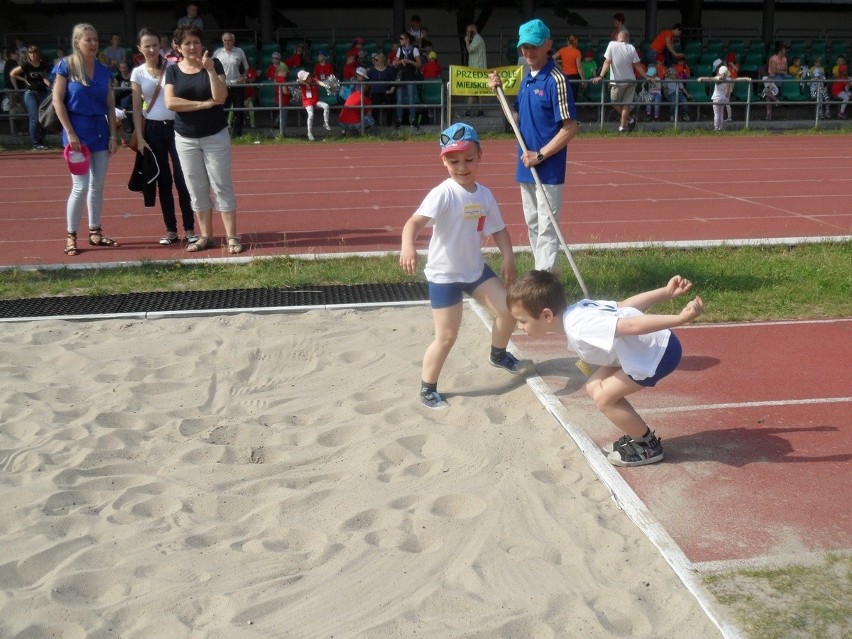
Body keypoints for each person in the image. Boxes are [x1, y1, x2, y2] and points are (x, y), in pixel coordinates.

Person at [507, 270, 704, 467]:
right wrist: (665, 292)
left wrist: (679, 319)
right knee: (594, 385)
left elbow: (632, 325)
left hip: (658, 354)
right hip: (646, 348)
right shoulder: (577, 309)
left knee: (604, 399)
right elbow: (625, 305)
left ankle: (648, 446)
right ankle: (638, 436)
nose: (519, 326)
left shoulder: (579, 326)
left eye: (523, 320)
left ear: (546, 315)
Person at [400, 122, 520, 409]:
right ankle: (428, 388)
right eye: (454, 161)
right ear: (444, 161)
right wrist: (408, 245)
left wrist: (508, 257)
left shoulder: (484, 194)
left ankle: (498, 354)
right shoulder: (443, 193)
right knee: (447, 336)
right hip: (445, 276)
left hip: (475, 271)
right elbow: (413, 223)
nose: (462, 167)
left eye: (468, 159)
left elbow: (499, 230)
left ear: (480, 156)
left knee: (509, 311)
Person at [488, 18, 578, 275]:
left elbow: (570, 127)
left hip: (547, 169)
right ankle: (546, 276)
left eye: (534, 46)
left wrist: (540, 155)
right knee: (533, 224)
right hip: (526, 165)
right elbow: (516, 121)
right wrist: (500, 95)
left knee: (548, 226)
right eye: (524, 47)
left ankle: (544, 283)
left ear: (548, 44)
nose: (528, 52)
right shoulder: (527, 79)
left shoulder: (556, 80)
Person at [164, 24, 242, 254]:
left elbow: (221, 97)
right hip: (185, 139)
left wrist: (208, 70)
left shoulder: (214, 64)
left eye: (196, 42)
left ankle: (231, 237)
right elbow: (170, 103)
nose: (192, 47)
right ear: (178, 47)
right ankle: (206, 236)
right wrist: (202, 105)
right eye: (187, 43)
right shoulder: (172, 71)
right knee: (196, 188)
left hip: (215, 136)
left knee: (221, 185)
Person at [53, 23, 121, 257]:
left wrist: (113, 134)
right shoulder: (65, 66)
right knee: (80, 187)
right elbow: (57, 101)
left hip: (100, 131)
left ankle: (95, 232)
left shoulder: (103, 70)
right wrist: (70, 133)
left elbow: (111, 105)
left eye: (95, 39)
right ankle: (71, 235)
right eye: (88, 40)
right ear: (77, 42)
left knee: (97, 186)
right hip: (77, 133)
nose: (93, 44)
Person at [131, 27, 196, 246]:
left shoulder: (173, 67)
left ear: (162, 47)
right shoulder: (137, 73)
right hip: (153, 129)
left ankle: (190, 228)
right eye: (146, 45)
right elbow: (136, 108)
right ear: (140, 48)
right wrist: (140, 137)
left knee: (182, 178)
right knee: (163, 181)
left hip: (177, 127)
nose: (151, 49)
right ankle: (171, 229)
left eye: (155, 45)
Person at [592, 29, 649, 133]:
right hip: (631, 81)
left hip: (617, 82)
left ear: (617, 37)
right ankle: (624, 125)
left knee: (614, 102)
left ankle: (628, 122)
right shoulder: (631, 47)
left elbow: (607, 61)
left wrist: (600, 76)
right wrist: (646, 77)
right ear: (627, 38)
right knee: (626, 105)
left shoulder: (612, 45)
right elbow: (637, 65)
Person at [9, 44, 51, 150]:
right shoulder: (26, 65)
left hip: (42, 92)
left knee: (44, 118)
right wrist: (24, 80)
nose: (33, 55)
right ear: (28, 55)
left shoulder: (43, 65)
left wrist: (49, 85)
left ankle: (41, 141)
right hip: (31, 93)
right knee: (34, 119)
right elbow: (13, 73)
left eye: (34, 53)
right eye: (31, 53)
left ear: (38, 54)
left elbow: (44, 77)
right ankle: (35, 144)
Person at [213, 32, 249, 137]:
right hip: (223, 84)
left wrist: (244, 77)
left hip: (237, 84)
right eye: (225, 40)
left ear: (233, 41)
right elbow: (211, 67)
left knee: (239, 109)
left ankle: (237, 133)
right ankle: (221, 133)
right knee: (223, 109)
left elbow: (246, 67)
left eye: (229, 40)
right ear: (222, 41)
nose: (227, 42)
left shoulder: (239, 51)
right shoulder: (217, 53)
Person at [697, 65, 748, 131]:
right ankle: (720, 128)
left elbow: (709, 78)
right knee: (721, 114)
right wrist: (746, 78)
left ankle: (716, 128)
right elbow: (737, 79)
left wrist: (701, 78)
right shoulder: (728, 79)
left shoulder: (718, 78)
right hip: (723, 98)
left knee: (717, 114)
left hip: (716, 98)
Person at [394, 32, 421, 129]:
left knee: (411, 99)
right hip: (401, 76)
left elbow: (419, 64)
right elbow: (395, 63)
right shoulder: (399, 49)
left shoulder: (415, 50)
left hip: (410, 76)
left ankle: (413, 120)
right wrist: (401, 61)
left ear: (407, 39)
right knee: (399, 100)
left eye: (402, 38)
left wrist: (410, 61)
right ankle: (399, 120)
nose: (400, 40)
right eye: (400, 39)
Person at [295, 69, 331, 140]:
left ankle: (326, 123)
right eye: (306, 78)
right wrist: (306, 84)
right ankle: (309, 132)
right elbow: (298, 81)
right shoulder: (302, 84)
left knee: (326, 106)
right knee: (311, 114)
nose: (309, 78)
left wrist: (327, 86)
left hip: (315, 101)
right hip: (307, 102)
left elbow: (319, 82)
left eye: (309, 76)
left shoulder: (313, 80)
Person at [338, 67, 374, 134]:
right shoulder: (365, 98)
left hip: (341, 122)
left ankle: (345, 130)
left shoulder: (352, 95)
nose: (363, 79)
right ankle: (359, 131)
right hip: (352, 123)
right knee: (371, 120)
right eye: (362, 76)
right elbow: (369, 114)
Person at [366, 51, 396, 126]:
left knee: (389, 102)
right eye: (374, 59)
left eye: (376, 60)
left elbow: (393, 80)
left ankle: (389, 123)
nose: (374, 61)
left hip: (386, 91)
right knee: (375, 103)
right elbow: (366, 80)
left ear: (382, 60)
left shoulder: (389, 69)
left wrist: (392, 89)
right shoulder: (371, 70)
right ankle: (374, 122)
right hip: (375, 91)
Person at [464, 24, 487, 116]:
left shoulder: (477, 39)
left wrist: (466, 41)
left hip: (476, 69)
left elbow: (470, 49)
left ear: (472, 31)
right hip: (479, 69)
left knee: (472, 91)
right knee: (479, 91)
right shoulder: (478, 39)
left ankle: (468, 110)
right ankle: (480, 110)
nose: (467, 34)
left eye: (468, 32)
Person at [113, 60, 134, 142]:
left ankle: (129, 129)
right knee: (127, 103)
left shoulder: (132, 76)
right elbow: (115, 90)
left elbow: (133, 90)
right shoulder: (117, 78)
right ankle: (127, 131)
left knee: (129, 100)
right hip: (121, 99)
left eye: (124, 67)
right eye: (121, 68)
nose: (123, 69)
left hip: (131, 97)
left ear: (127, 68)